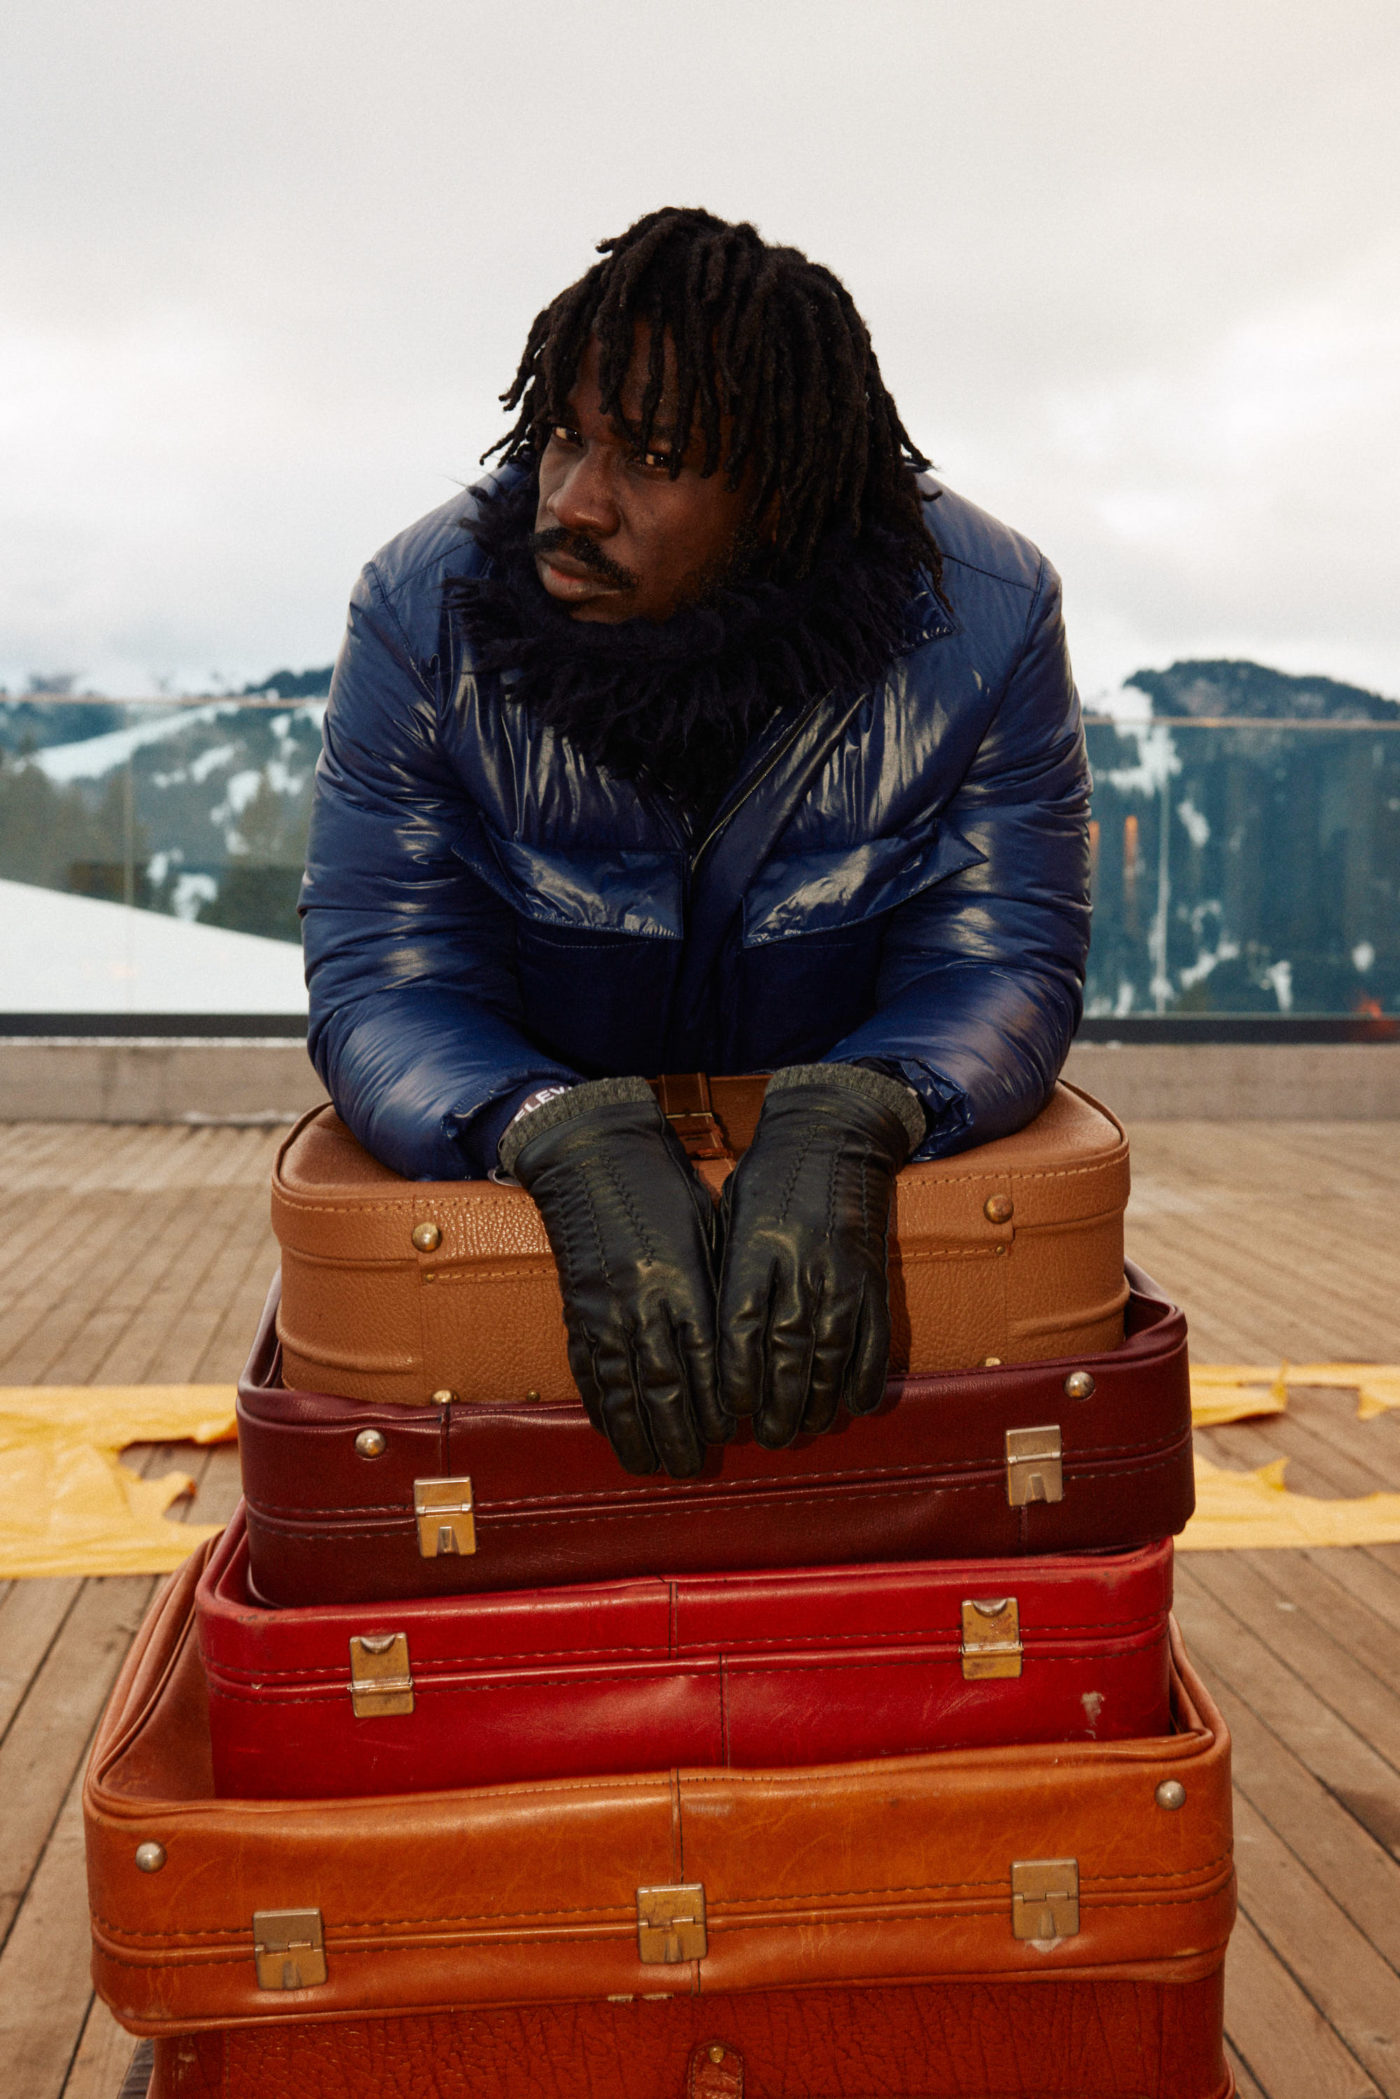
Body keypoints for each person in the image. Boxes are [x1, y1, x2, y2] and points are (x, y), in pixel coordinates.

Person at [302, 207, 1090, 1482]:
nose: (573, 502)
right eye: (565, 436)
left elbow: (1003, 959)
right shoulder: (417, 607)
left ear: (782, 493)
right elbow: (383, 972)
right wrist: (545, 1127)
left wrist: (865, 1105)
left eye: (652, 457)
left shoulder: (989, 618)